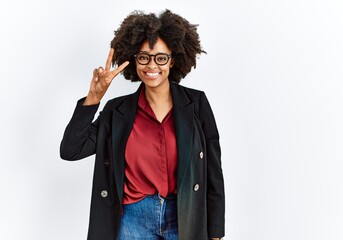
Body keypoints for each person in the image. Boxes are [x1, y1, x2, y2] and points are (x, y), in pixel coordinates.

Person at [60, 9, 225, 240]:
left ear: (173, 59)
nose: (152, 65)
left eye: (160, 57)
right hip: (132, 219)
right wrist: (93, 98)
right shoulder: (116, 111)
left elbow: (213, 172)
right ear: (134, 60)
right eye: (143, 57)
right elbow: (71, 150)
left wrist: (215, 232)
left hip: (185, 216)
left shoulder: (196, 104)